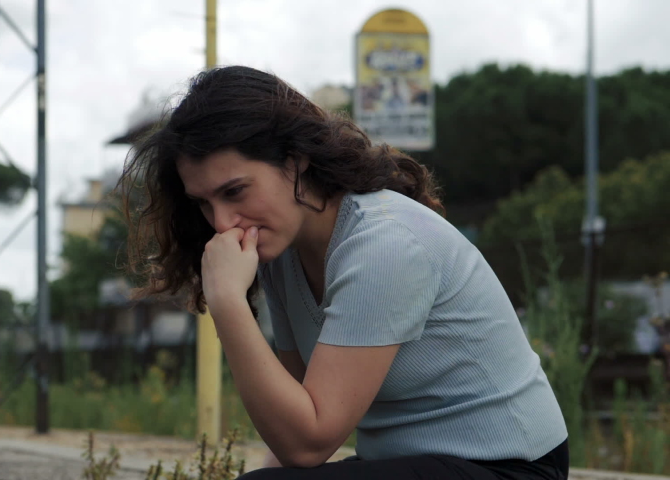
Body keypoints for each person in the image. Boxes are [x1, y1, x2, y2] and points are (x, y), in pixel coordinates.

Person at [117, 65, 569, 480]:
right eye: (204, 203)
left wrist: (228, 304)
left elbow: (308, 443)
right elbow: (292, 416)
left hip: (509, 466)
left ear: (295, 160)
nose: (221, 223)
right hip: (412, 463)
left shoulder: (383, 242)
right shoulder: (283, 254)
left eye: (234, 191)